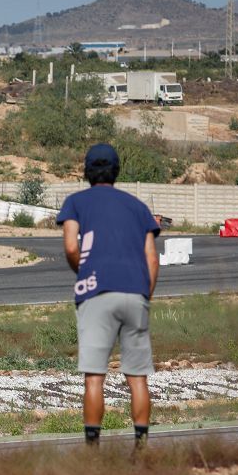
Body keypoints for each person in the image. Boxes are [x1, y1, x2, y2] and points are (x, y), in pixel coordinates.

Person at [57, 143, 161, 448]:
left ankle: (93, 450)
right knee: (138, 376)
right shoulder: (138, 207)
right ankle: (140, 447)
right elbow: (152, 259)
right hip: (135, 293)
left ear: (86, 171)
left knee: (94, 376)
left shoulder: (76, 202)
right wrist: (145, 295)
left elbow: (71, 247)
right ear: (117, 171)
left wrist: (85, 273)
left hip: (96, 292)